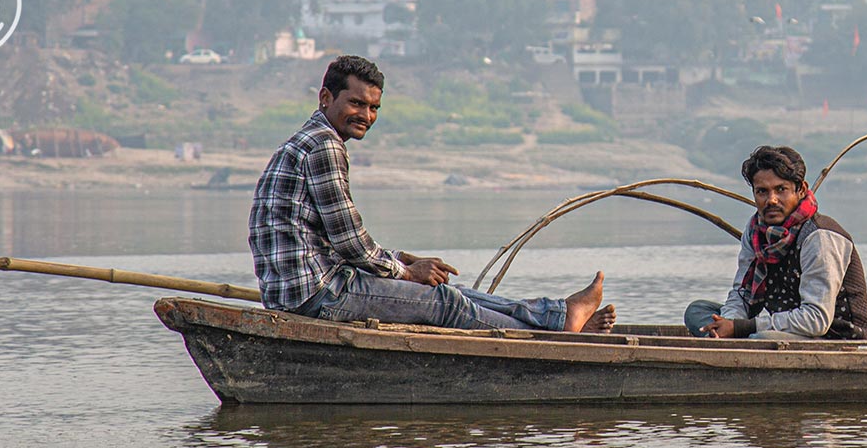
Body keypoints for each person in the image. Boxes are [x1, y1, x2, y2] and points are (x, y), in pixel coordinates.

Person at [251, 55, 616, 334]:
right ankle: (558, 335)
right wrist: (407, 273)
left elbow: (335, 239)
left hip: (312, 287)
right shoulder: (324, 146)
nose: (366, 114)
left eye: (374, 107)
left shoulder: (310, 140)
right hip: (318, 296)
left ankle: (557, 316)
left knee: (452, 293)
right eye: (356, 103)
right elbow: (351, 244)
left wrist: (399, 259)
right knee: (443, 302)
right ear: (326, 97)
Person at [684, 144, 867, 341]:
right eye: (762, 192)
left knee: (761, 339)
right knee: (697, 311)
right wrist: (726, 324)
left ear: (801, 190)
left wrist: (741, 328)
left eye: (781, 190)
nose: (771, 200)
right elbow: (742, 293)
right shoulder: (755, 230)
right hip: (785, 328)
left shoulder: (820, 237)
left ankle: (739, 342)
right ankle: (724, 341)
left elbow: (817, 319)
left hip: (834, 337)